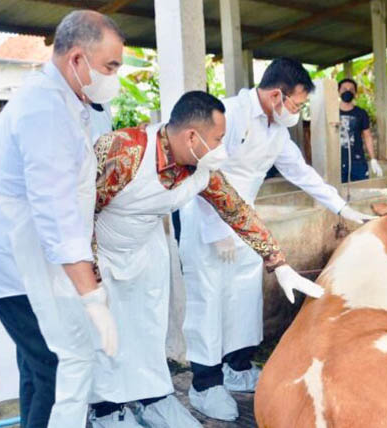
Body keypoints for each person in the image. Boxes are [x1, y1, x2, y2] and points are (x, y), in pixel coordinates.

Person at [88, 91, 322, 426]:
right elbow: (76, 212)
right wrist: (87, 273)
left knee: (148, 327)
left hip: (146, 249)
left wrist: (278, 262)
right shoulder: (123, 150)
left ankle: (154, 398)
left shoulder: (201, 168)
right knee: (106, 330)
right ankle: (107, 410)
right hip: (101, 249)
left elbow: (237, 210)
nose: (222, 148)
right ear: (192, 136)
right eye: (218, 139)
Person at [179, 57, 375, 421]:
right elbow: (204, 171)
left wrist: (342, 208)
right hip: (208, 222)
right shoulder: (231, 114)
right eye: (297, 104)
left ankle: (236, 367)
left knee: (243, 296)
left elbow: (301, 173)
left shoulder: (276, 131)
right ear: (275, 95)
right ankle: (204, 383)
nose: (297, 112)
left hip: (246, 222)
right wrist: (216, 229)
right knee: (209, 300)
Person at [0, 11, 125, 427]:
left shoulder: (70, 102)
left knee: (38, 364)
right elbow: (55, 210)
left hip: (31, 256)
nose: (114, 76)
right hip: (15, 261)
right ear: (76, 59)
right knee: (57, 363)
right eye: (110, 66)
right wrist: (92, 297)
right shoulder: (44, 109)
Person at [338, 78, 383, 182]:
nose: (347, 91)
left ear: (355, 93)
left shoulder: (361, 113)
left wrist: (373, 159)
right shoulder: (332, 113)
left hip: (357, 160)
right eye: (344, 89)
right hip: (337, 161)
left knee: (362, 190)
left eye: (351, 89)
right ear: (339, 91)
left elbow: (367, 136)